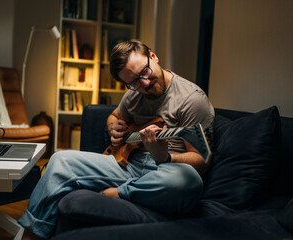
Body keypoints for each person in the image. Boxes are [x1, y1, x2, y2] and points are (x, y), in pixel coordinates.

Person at [18, 39, 215, 240]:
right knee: (60, 160)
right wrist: (113, 126)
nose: (144, 83)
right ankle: (31, 234)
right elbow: (115, 116)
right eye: (135, 82)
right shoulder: (134, 94)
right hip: (128, 165)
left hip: (166, 171)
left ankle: (114, 193)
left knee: (189, 182)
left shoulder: (192, 99)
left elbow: (201, 160)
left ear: (153, 56)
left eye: (145, 72)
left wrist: (164, 157)